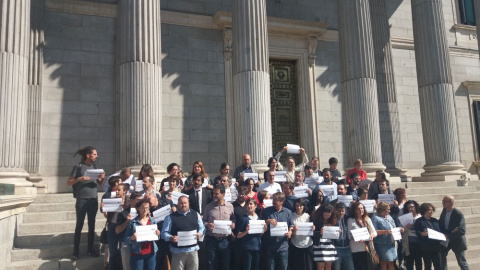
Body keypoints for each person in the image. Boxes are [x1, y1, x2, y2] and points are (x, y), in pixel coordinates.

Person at [67, 146, 105, 260]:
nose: (96, 156)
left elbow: (100, 184)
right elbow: (69, 182)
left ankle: (90, 249)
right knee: (79, 225)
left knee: (92, 225)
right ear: (88, 155)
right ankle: (75, 252)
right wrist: (79, 179)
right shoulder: (78, 166)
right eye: (94, 154)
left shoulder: (95, 166)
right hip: (82, 199)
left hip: (93, 199)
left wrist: (102, 178)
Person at [161, 195, 205, 270]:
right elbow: (163, 233)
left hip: (193, 251)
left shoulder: (196, 214)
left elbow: (202, 228)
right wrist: (171, 238)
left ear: (188, 203)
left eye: (185, 203)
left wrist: (200, 233)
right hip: (178, 252)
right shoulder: (170, 217)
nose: (183, 205)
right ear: (177, 204)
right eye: (181, 203)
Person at [203, 185, 236, 270]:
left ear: (223, 194)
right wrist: (207, 224)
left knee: (225, 264)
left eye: (216, 194)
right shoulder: (208, 207)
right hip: (212, 240)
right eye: (213, 193)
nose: (214, 195)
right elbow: (203, 221)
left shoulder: (230, 206)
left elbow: (233, 218)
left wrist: (233, 223)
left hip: (225, 240)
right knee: (211, 265)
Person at [124, 199, 161, 270]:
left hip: (151, 253)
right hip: (137, 253)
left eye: (147, 208)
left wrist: (158, 234)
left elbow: (157, 238)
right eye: (143, 208)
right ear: (138, 208)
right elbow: (126, 239)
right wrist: (132, 238)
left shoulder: (153, 221)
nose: (145, 210)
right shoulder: (132, 222)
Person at [262, 192, 293, 270]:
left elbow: (291, 226)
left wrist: (290, 232)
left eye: (276, 200)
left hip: (283, 246)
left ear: (282, 202)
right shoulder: (266, 211)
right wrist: (267, 221)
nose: (273, 202)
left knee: (283, 268)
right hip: (270, 246)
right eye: (273, 199)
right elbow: (261, 227)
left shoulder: (288, 212)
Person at [101, 178, 127, 270]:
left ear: (124, 191)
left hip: (123, 228)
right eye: (116, 189)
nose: (117, 191)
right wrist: (104, 209)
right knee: (112, 253)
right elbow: (106, 214)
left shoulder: (128, 202)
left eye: (119, 190)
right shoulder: (111, 199)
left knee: (122, 252)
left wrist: (125, 207)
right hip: (112, 227)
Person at [439, 195, 469, 270]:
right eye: (442, 201)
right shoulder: (444, 211)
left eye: (444, 201)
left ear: (451, 203)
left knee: (461, 261)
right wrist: (450, 232)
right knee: (442, 256)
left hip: (457, 241)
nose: (442, 203)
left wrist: (449, 235)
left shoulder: (458, 214)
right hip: (446, 239)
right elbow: (441, 224)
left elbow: (462, 230)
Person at [236, 198, 265, 270]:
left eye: (251, 204)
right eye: (248, 204)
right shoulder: (243, 218)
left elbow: (260, 234)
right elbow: (238, 235)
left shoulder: (259, 218)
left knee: (256, 267)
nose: (249, 206)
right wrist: (246, 231)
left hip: (257, 247)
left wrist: (263, 230)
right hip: (247, 248)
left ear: (255, 206)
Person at [372, 202, 402, 270]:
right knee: (384, 262)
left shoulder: (389, 217)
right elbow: (374, 231)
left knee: (391, 262)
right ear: (382, 209)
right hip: (382, 244)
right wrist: (385, 232)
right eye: (387, 209)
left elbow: (394, 227)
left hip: (391, 243)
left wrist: (399, 229)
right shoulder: (375, 218)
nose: (389, 211)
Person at [116, 191, 142, 270]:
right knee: (127, 267)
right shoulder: (123, 214)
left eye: (141, 200)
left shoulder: (143, 213)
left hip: (140, 244)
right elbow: (117, 230)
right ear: (131, 200)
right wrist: (127, 221)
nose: (140, 202)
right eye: (138, 200)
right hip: (126, 244)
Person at [347, 201, 377, 270]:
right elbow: (348, 234)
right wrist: (353, 238)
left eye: (362, 208)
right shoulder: (351, 220)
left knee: (369, 267)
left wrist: (372, 236)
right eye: (358, 209)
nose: (361, 210)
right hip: (356, 248)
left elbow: (374, 232)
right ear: (354, 211)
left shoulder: (367, 219)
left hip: (368, 248)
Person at [414, 203, 442, 270]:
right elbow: (417, 231)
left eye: (432, 210)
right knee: (428, 266)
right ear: (424, 211)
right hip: (426, 247)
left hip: (436, 246)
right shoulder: (419, 221)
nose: (431, 211)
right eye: (429, 210)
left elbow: (440, 231)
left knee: (438, 265)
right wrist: (422, 234)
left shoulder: (435, 221)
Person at [312, 204, 338, 270]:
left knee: (328, 267)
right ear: (322, 213)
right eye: (325, 215)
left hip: (329, 245)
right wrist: (320, 233)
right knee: (320, 267)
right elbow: (312, 234)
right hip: (319, 246)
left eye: (328, 215)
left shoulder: (333, 221)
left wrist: (338, 231)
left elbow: (335, 234)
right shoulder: (315, 220)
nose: (327, 217)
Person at [290, 198, 314, 270]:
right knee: (298, 266)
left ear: (304, 206)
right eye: (297, 206)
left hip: (308, 244)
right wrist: (294, 230)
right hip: (296, 244)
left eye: (300, 206)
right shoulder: (291, 216)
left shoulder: (308, 216)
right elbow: (290, 231)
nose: (298, 208)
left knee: (309, 266)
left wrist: (313, 228)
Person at [401, 200, 422, 270]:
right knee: (409, 261)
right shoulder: (405, 217)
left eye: (412, 207)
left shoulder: (420, 217)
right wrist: (406, 227)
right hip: (409, 242)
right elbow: (401, 229)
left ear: (415, 207)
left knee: (418, 261)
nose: (410, 209)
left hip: (419, 242)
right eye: (408, 208)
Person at [332, 203, 354, 270]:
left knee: (351, 268)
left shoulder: (348, 219)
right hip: (337, 248)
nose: (341, 213)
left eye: (343, 211)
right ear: (336, 210)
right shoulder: (332, 220)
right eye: (339, 211)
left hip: (347, 248)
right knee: (336, 268)